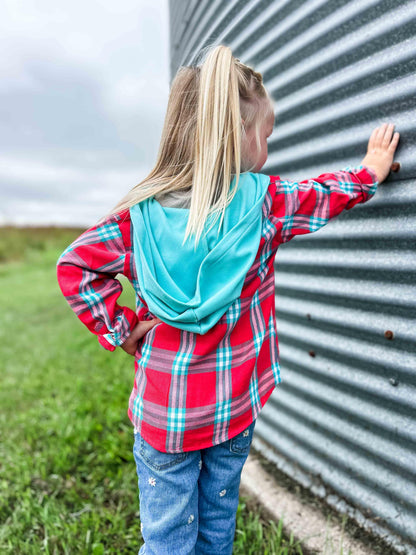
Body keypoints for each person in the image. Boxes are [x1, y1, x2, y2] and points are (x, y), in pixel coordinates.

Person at [56, 43, 400, 555]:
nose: (268, 144)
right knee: (217, 529)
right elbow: (323, 193)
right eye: (267, 133)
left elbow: (76, 267)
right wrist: (370, 171)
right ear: (239, 135)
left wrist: (121, 327)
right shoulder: (264, 205)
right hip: (232, 410)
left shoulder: (138, 219)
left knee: (167, 538)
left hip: (165, 419)